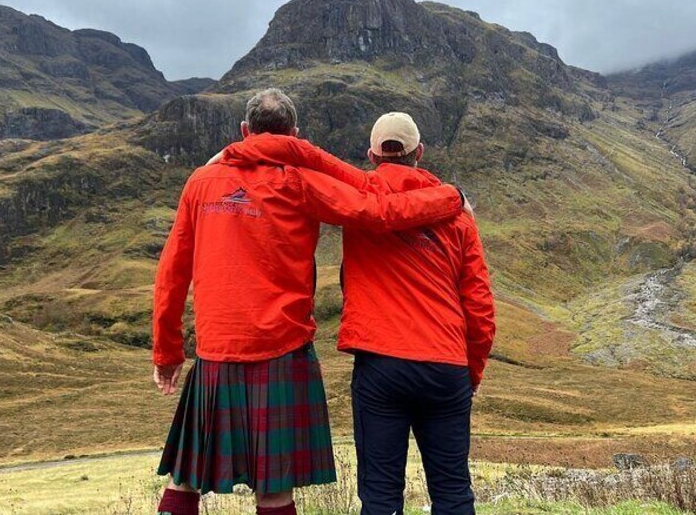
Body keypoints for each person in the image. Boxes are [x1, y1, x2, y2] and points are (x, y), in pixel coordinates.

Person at [152, 90, 470, 515]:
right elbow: (378, 211)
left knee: (186, 478)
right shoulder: (300, 182)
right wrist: (452, 198)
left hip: (216, 350)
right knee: (274, 485)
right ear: (296, 135)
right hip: (282, 348)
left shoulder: (200, 182)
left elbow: (171, 272)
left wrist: (167, 351)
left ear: (245, 131)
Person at [219, 111, 496, 515]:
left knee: (381, 495)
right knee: (453, 491)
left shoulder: (359, 194)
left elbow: (304, 156)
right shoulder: (459, 218)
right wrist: (470, 372)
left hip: (381, 363)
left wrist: (230, 155)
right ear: (420, 153)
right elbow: (479, 304)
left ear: (371, 155)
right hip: (445, 364)